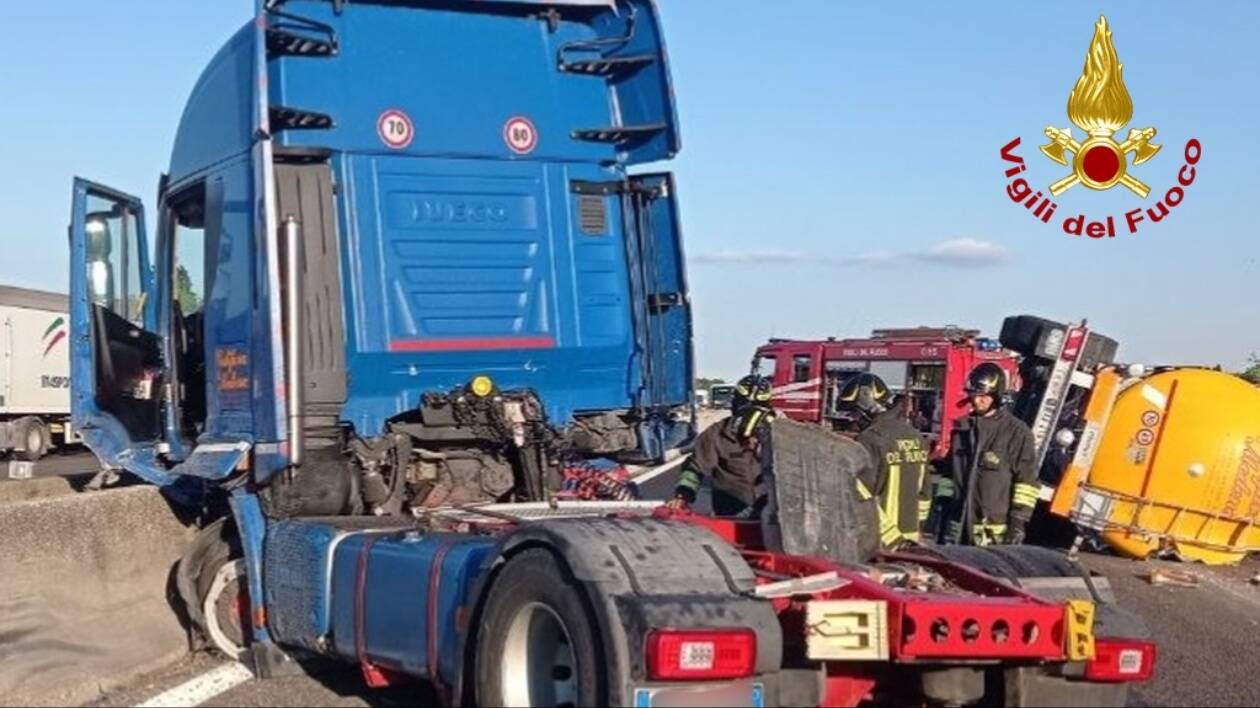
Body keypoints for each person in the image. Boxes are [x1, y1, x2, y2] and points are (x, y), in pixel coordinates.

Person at [936, 362, 1039, 546]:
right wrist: (943, 506)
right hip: (957, 526)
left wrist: (1018, 522)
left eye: (983, 396)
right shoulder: (962, 430)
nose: (977, 401)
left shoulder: (1016, 432)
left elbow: (1027, 482)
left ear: (996, 395)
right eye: (974, 395)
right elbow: (949, 475)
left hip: (991, 532)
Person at [835, 373, 932, 549]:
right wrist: (917, 529)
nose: (853, 420)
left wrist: (891, 537)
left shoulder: (870, 439)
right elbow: (925, 493)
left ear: (867, 407)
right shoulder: (916, 436)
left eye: (854, 413)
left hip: (882, 539)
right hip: (911, 536)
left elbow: (861, 495)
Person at [667, 375, 775, 517]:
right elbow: (695, 467)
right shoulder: (717, 433)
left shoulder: (780, 433)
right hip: (730, 516)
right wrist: (683, 496)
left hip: (774, 518)